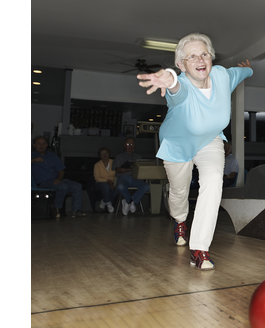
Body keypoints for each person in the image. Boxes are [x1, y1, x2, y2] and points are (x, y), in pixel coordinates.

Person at [137, 32, 253, 270]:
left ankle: (199, 249)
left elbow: (240, 73)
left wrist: (248, 69)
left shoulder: (221, 75)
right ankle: (180, 221)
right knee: (178, 193)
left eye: (204, 54)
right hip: (177, 145)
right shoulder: (182, 86)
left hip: (210, 140)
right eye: (192, 57)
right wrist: (168, 78)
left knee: (213, 183)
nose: (200, 60)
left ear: (211, 57)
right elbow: (175, 87)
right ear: (181, 65)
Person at [31, 136, 87, 217]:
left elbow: (61, 170)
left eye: (43, 144)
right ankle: (56, 209)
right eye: (38, 144)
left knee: (77, 186)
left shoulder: (52, 156)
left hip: (57, 180)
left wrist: (59, 179)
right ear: (34, 145)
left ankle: (76, 210)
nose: (41, 146)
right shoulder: (30, 155)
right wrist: (34, 160)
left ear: (47, 145)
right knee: (63, 186)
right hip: (43, 182)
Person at [113, 138, 150, 216]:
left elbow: (141, 169)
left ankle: (129, 201)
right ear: (124, 146)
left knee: (146, 186)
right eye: (128, 144)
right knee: (120, 186)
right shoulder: (119, 156)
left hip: (135, 179)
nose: (130, 146)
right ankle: (129, 201)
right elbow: (118, 170)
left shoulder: (138, 156)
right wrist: (130, 168)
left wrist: (126, 169)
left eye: (132, 144)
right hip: (123, 178)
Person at [93, 147, 116, 213]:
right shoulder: (97, 165)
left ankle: (104, 201)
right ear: (100, 156)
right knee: (106, 186)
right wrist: (107, 181)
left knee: (117, 189)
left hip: (112, 182)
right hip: (100, 183)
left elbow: (117, 175)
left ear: (109, 154)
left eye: (106, 153)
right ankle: (108, 203)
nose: (104, 154)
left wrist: (112, 182)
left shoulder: (114, 162)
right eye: (102, 153)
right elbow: (97, 178)